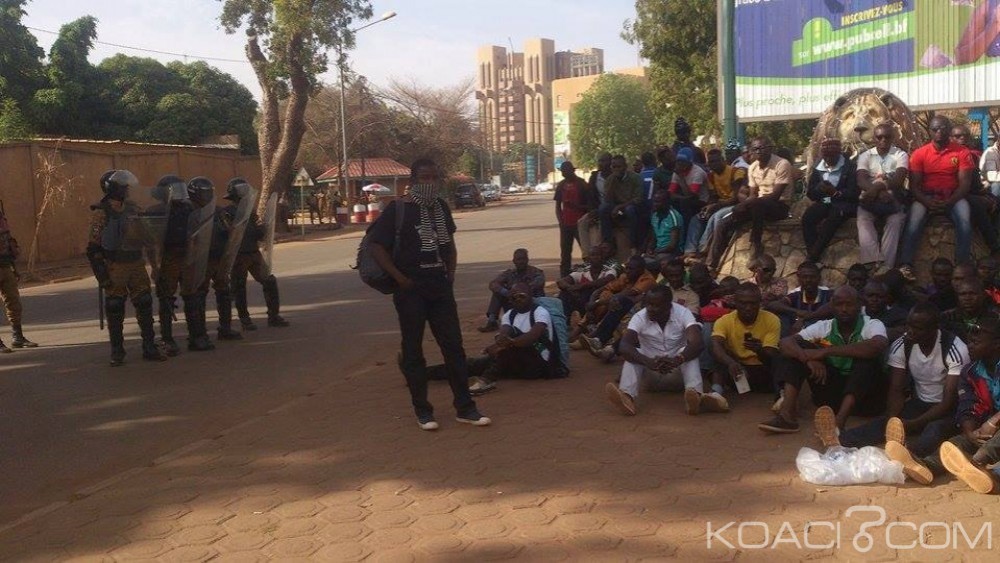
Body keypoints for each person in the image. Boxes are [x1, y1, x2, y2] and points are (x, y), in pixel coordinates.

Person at [369, 158, 490, 430]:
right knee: (413, 350)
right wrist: (401, 279)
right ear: (413, 181)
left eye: (435, 177)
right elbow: (376, 245)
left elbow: (450, 245)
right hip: (410, 290)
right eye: (425, 178)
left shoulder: (441, 208)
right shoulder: (398, 209)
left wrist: (451, 274)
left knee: (454, 348)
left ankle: (465, 407)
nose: (430, 183)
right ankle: (423, 411)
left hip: (439, 287)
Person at [822, 303, 966, 455]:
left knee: (934, 429)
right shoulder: (903, 345)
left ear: (935, 328)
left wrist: (914, 424)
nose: (910, 331)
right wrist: (893, 421)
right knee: (885, 422)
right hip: (919, 404)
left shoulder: (954, 349)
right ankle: (840, 439)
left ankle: (912, 456)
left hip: (951, 410)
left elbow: (949, 401)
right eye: (909, 325)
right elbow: (896, 390)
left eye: (918, 328)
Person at [886, 319, 1000, 493]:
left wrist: (993, 421)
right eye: (970, 341)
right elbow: (967, 405)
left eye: (976, 342)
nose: (970, 346)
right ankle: (925, 466)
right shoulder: (970, 372)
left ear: (996, 345)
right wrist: (970, 432)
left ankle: (982, 467)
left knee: (989, 445)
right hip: (989, 430)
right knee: (955, 444)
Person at [759, 286, 888, 433]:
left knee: (867, 359)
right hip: (831, 396)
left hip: (866, 400)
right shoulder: (824, 326)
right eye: (839, 304)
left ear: (859, 305)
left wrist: (824, 352)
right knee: (794, 351)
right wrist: (807, 359)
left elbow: (878, 346)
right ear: (832, 305)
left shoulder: (872, 324)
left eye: (849, 304)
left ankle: (838, 424)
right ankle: (787, 416)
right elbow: (785, 343)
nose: (844, 309)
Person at [86, 170, 166, 366]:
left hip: (136, 262)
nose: (127, 189)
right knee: (115, 306)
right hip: (115, 264)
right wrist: (101, 274)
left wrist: (154, 266)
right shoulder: (101, 212)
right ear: (113, 188)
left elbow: (147, 239)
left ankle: (149, 347)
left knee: (145, 302)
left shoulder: (133, 209)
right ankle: (117, 351)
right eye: (123, 186)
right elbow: (93, 247)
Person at [605, 285, 719, 416]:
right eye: (648, 304)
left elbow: (698, 343)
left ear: (669, 306)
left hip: (678, 374)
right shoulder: (640, 317)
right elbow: (624, 346)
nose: (650, 309)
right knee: (634, 352)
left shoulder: (683, 313)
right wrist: (648, 361)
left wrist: (678, 359)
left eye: (656, 305)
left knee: (687, 350)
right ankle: (627, 397)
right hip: (652, 373)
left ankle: (695, 396)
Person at [898, 116, 976, 276]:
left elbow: (965, 184)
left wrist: (950, 201)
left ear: (949, 130)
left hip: (954, 196)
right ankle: (905, 264)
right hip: (926, 196)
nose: (939, 132)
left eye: (943, 128)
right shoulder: (920, 154)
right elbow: (914, 186)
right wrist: (926, 201)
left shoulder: (962, 152)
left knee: (964, 220)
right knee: (913, 221)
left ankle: (962, 264)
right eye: (935, 129)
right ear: (929, 131)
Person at [147, 175, 215, 355]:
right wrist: (154, 266)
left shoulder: (189, 209)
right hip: (167, 258)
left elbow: (199, 235)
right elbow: (150, 243)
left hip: (188, 258)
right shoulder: (155, 212)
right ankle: (167, 340)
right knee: (167, 299)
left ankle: (196, 336)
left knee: (192, 297)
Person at [707, 137, 793, 269]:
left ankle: (756, 244)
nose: (758, 152)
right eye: (755, 149)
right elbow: (753, 194)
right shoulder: (753, 167)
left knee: (755, 204)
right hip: (756, 206)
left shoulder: (782, 164)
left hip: (779, 206)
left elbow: (775, 196)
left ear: (770, 148)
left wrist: (747, 204)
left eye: (762, 148)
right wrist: (743, 206)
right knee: (723, 223)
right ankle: (711, 264)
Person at [229, 185, 290, 330]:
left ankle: (273, 316)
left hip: (253, 253)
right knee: (239, 287)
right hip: (238, 256)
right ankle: (245, 320)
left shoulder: (250, 213)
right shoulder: (228, 213)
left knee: (269, 281)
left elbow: (258, 234)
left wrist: (263, 229)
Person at [577, 255, 656, 358]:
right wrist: (595, 301)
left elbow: (630, 294)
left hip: (643, 313)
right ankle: (598, 340)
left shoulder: (648, 279)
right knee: (612, 299)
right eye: (626, 268)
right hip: (629, 311)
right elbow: (602, 289)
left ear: (641, 270)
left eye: (631, 269)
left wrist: (599, 302)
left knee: (619, 301)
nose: (627, 271)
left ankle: (601, 341)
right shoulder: (626, 276)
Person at [478, 282, 557, 384]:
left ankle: (487, 380)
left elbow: (532, 337)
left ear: (530, 296)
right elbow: (503, 334)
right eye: (514, 297)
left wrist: (505, 344)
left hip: (538, 362)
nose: (518, 299)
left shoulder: (540, 312)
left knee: (510, 341)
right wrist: (499, 344)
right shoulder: (509, 315)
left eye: (522, 296)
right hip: (516, 360)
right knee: (476, 364)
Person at [855, 122, 909, 270]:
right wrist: (879, 191)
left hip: (892, 200)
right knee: (863, 219)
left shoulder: (900, 155)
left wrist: (877, 186)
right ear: (874, 138)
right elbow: (861, 180)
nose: (883, 140)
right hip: (870, 201)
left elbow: (898, 179)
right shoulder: (865, 156)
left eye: (887, 137)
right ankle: (873, 263)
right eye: (879, 137)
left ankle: (886, 266)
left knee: (896, 222)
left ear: (893, 138)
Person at [711, 283, 780, 398]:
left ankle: (782, 397)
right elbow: (716, 345)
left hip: (762, 372)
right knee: (716, 348)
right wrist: (731, 363)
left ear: (760, 303)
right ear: (735, 303)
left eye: (752, 303)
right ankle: (715, 394)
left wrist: (759, 350)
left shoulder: (772, 319)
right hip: (737, 370)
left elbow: (771, 357)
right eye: (743, 303)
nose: (748, 307)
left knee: (782, 357)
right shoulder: (724, 321)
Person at [194, 178, 243, 341]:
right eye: (203, 192)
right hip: (201, 259)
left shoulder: (219, 211)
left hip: (219, 257)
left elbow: (230, 230)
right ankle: (199, 332)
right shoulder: (191, 212)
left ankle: (225, 327)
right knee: (199, 293)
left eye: (208, 192)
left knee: (223, 291)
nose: (206, 196)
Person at [802, 138, 858, 265]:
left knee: (832, 219)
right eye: (825, 156)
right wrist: (820, 189)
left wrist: (835, 192)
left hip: (844, 203)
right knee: (808, 218)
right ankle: (812, 252)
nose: (828, 160)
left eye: (831, 156)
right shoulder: (819, 167)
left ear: (838, 153)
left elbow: (854, 193)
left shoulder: (849, 167)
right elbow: (811, 193)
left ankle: (812, 257)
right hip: (826, 200)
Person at [685, 148, 746, 260]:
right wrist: (709, 206)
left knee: (716, 217)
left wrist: (715, 206)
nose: (712, 164)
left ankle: (705, 249)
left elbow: (736, 198)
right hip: (720, 204)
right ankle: (690, 251)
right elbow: (714, 196)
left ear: (722, 160)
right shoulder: (711, 176)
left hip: (735, 205)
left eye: (715, 161)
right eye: (710, 162)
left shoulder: (736, 172)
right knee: (697, 218)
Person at [477, 248, 545, 332]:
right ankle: (492, 321)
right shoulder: (510, 273)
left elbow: (537, 285)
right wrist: (506, 292)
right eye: (518, 259)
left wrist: (516, 292)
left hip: (531, 304)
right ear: (514, 261)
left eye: (523, 259)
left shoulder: (536, 272)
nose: (521, 262)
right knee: (498, 292)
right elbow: (493, 284)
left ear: (527, 260)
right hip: (515, 302)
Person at [0, 208, 36, 352]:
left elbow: (7, 239)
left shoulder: (1, 216)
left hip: (5, 264)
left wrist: (13, 266)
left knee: (13, 301)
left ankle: (17, 336)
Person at [767, 261, 832, 334]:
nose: (808, 280)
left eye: (812, 277)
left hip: (824, 336)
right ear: (799, 279)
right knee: (782, 317)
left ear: (819, 278)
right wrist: (797, 311)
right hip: (799, 337)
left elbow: (833, 305)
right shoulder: (796, 296)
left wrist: (804, 319)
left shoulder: (828, 295)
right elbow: (773, 305)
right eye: (804, 277)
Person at [554, 161, 593, 277]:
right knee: (565, 254)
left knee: (586, 251)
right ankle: (564, 277)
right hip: (566, 225)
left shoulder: (582, 184)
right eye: (562, 172)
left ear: (572, 171)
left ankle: (590, 275)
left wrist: (577, 207)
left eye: (565, 171)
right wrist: (561, 222)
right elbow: (558, 206)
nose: (563, 174)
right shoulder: (561, 185)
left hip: (580, 224)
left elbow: (590, 206)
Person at [599, 155, 644, 254]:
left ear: (625, 167)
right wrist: (612, 182)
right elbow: (607, 199)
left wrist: (620, 207)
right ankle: (608, 241)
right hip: (617, 207)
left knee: (630, 210)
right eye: (613, 167)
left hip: (631, 206)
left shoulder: (635, 178)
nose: (616, 169)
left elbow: (638, 199)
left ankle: (633, 244)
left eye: (619, 167)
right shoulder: (610, 179)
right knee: (603, 208)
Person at [557, 245, 617, 319]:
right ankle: (566, 319)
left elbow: (606, 280)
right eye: (593, 255)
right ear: (588, 258)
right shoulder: (583, 270)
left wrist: (582, 286)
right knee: (564, 293)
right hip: (583, 302)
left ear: (603, 257)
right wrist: (571, 288)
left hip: (599, 302)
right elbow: (561, 282)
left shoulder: (609, 270)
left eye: (598, 255)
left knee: (587, 291)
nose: (596, 257)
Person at [943, 278, 1000, 342]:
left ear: (983, 295)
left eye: (973, 293)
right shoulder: (946, 317)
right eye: (963, 294)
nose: (967, 298)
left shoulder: (995, 319)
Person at [578, 153, 612, 254]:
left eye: (603, 161)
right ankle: (587, 254)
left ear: (610, 162)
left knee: (599, 230)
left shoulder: (614, 177)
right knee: (582, 222)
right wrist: (591, 210)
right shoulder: (594, 177)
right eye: (599, 161)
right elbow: (590, 196)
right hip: (596, 209)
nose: (600, 163)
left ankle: (597, 252)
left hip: (609, 209)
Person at [668, 148, 709, 227]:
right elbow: (671, 193)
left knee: (685, 204)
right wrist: (682, 198)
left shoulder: (698, 172)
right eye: (679, 161)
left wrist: (681, 177)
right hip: (686, 199)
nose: (680, 164)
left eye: (683, 162)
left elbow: (691, 195)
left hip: (701, 201)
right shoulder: (677, 172)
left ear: (690, 162)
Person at [645, 189, 684, 259]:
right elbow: (653, 238)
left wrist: (657, 252)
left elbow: (673, 245)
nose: (655, 204)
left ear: (666, 202)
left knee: (653, 262)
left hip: (673, 252)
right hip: (658, 251)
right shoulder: (654, 215)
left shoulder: (674, 216)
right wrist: (649, 249)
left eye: (658, 202)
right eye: (654, 201)